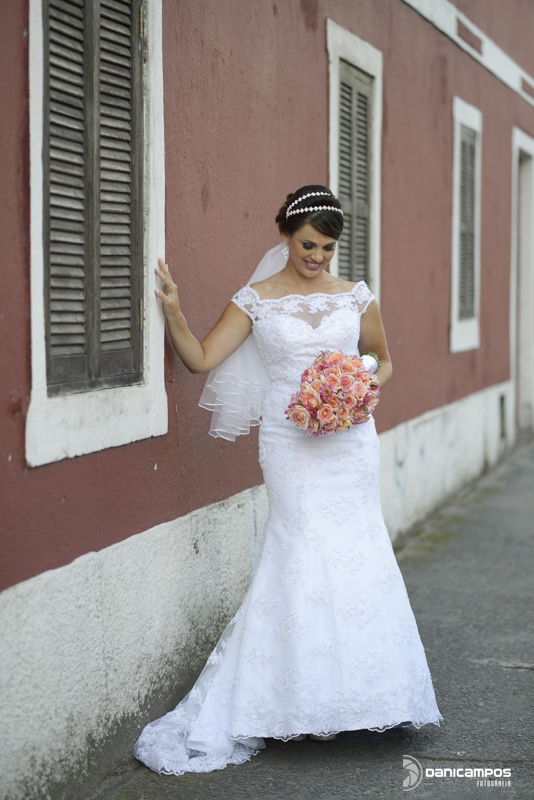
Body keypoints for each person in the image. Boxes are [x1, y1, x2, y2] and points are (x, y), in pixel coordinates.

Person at [133, 185, 444, 775]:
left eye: (327, 248)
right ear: (284, 235)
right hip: (288, 447)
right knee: (299, 550)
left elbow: (383, 357)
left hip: (350, 442)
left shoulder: (356, 297)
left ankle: (367, 694)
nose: (318, 257)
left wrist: (358, 384)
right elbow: (200, 359)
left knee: (358, 550)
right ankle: (293, 700)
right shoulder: (256, 300)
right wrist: (173, 309)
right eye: (307, 245)